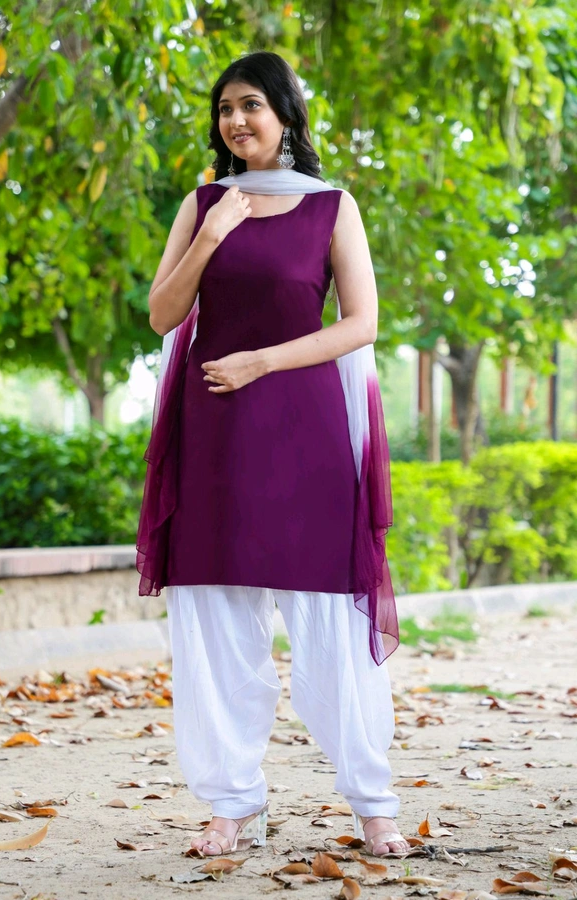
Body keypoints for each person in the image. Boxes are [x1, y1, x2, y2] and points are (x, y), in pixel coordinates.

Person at [137, 50, 409, 859]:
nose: (236, 121)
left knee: (329, 615)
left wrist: (263, 361)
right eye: (225, 109)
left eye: (251, 104)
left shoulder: (332, 207)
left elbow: (361, 323)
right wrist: (212, 234)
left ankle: (373, 802)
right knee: (216, 618)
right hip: (215, 432)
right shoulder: (202, 205)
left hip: (307, 430)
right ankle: (232, 805)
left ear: (286, 113)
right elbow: (162, 314)